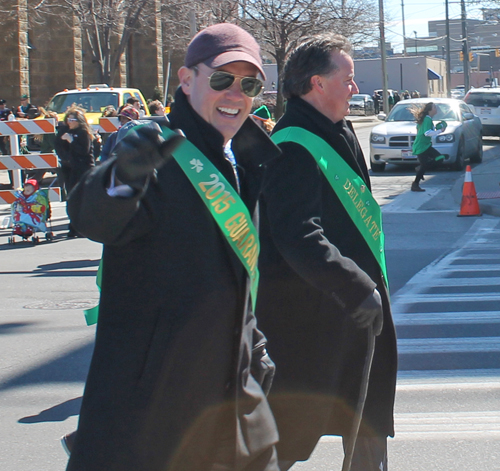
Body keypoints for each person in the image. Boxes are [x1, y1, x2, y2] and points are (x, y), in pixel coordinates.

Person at [64, 23, 280, 471]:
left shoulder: (247, 158)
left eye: (250, 84)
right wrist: (122, 176)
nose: (235, 93)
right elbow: (95, 219)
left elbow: (232, 275)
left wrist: (254, 345)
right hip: (156, 409)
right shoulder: (152, 147)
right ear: (187, 80)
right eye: (221, 79)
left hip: (236, 400)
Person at [255, 33, 398, 471]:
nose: (355, 88)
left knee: (367, 428)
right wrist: (353, 286)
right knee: (286, 440)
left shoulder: (340, 132)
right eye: (348, 78)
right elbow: (297, 235)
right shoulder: (291, 147)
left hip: (352, 315)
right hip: (311, 321)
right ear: (317, 83)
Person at [54, 105, 96, 236]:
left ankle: (85, 227)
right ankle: (73, 226)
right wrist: (66, 158)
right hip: (69, 168)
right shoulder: (64, 131)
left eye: (73, 120)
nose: (70, 123)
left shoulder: (84, 133)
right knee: (71, 197)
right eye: (69, 120)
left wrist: (72, 141)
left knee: (83, 198)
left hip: (83, 169)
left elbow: (84, 151)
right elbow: (58, 146)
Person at [410, 102, 446, 192]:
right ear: (430, 110)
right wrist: (440, 131)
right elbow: (427, 133)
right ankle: (417, 176)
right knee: (439, 158)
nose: (436, 108)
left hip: (425, 145)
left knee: (427, 164)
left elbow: (428, 132)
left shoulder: (427, 119)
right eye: (434, 107)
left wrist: (437, 129)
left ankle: (416, 181)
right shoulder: (427, 119)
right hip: (422, 146)